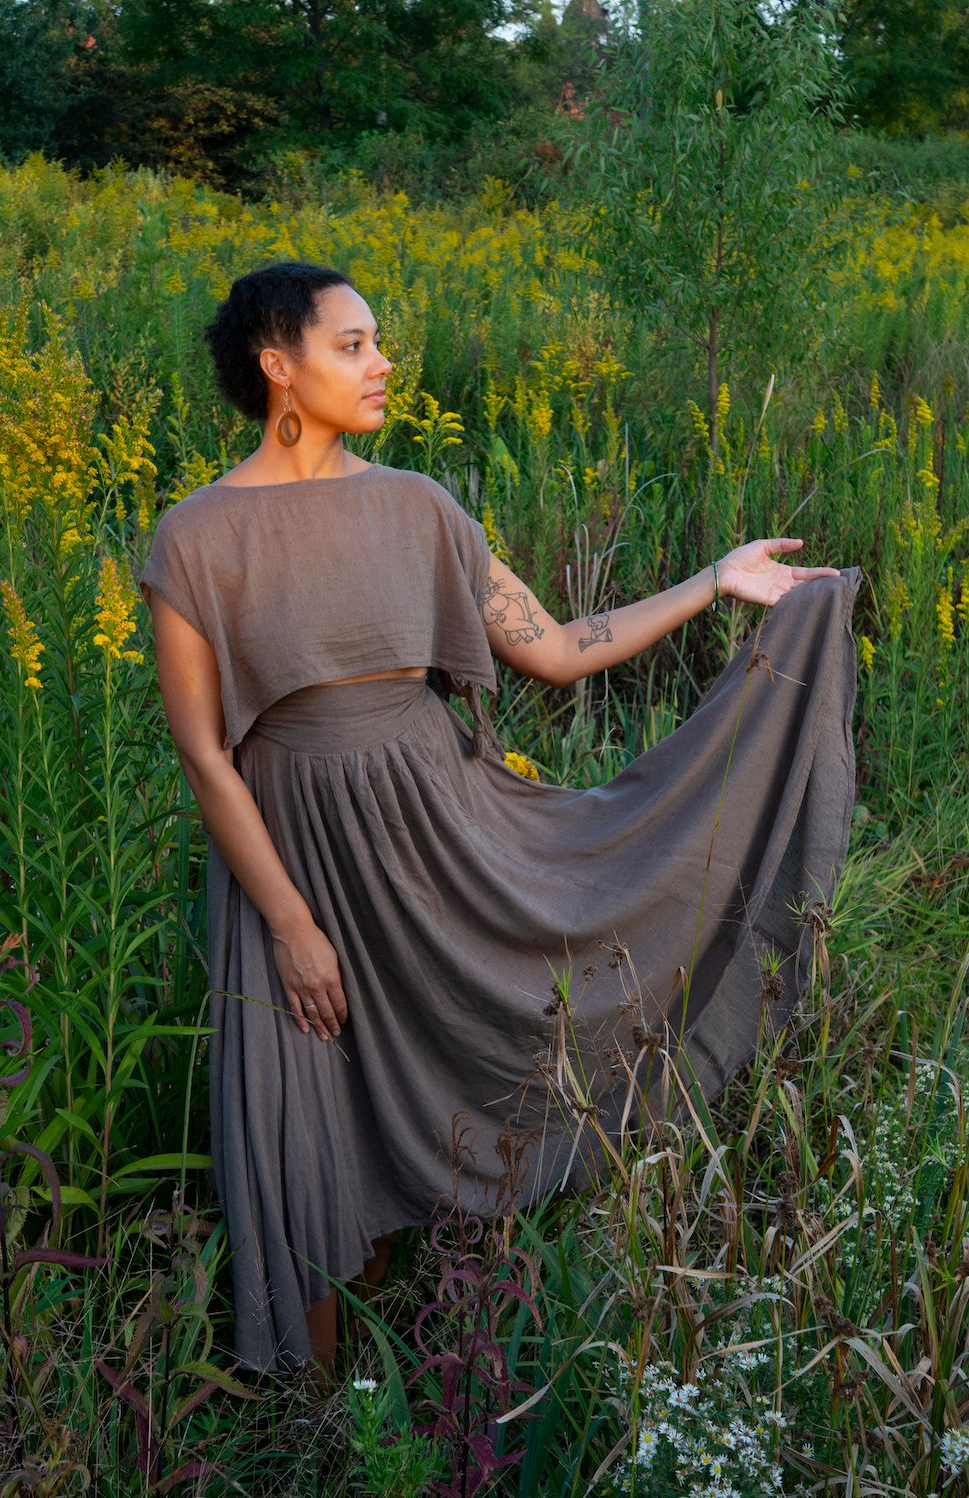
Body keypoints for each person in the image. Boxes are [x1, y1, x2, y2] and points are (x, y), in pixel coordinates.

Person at [137, 260, 860, 1384]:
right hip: (291, 851)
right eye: (353, 345)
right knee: (301, 1104)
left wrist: (712, 580)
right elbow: (204, 754)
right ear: (277, 363)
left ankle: (399, 1364)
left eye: (380, 342)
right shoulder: (192, 539)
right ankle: (314, 1421)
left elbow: (559, 649)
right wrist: (287, 921)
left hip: (438, 835)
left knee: (485, 1022)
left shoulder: (418, 504)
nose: (382, 364)